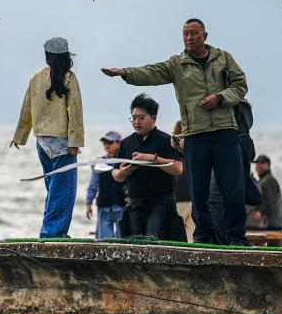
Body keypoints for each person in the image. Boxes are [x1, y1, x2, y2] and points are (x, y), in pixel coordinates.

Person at [102, 18, 248, 246]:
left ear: (205, 36)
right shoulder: (177, 64)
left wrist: (220, 98)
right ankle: (203, 238)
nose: (189, 38)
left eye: (194, 33)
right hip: (195, 135)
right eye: (185, 34)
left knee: (233, 189)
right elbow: (151, 72)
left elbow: (240, 85)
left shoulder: (224, 58)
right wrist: (124, 72)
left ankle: (236, 238)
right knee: (198, 191)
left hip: (225, 131)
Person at [11, 37, 85, 239]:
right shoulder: (69, 78)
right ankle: (52, 233)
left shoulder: (36, 77)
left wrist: (19, 136)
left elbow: (27, 109)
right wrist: (75, 142)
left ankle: (53, 231)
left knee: (53, 190)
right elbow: (75, 111)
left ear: (47, 56)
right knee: (63, 192)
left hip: (42, 142)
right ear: (66, 56)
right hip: (63, 143)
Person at [111, 94, 183, 239]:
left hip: (161, 202)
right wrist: (124, 172)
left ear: (153, 118)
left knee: (154, 239)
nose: (136, 122)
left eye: (141, 118)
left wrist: (152, 159)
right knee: (134, 242)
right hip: (135, 203)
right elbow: (115, 174)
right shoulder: (126, 143)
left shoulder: (165, 140)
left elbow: (178, 168)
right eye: (133, 118)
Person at [85, 131, 125, 239]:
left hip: (122, 206)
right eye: (105, 143)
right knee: (104, 241)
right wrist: (88, 203)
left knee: (123, 240)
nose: (107, 145)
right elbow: (93, 185)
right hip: (104, 207)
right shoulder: (99, 163)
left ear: (118, 143)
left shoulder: (124, 162)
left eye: (110, 142)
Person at [247, 155, 282, 231]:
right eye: (257, 163)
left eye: (261, 163)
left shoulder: (267, 181)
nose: (258, 165)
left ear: (268, 165)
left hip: (272, 223)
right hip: (277, 222)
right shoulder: (265, 179)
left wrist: (259, 212)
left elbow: (267, 200)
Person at [172, 122, 195, 241]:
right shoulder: (194, 150)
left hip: (177, 197)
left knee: (178, 233)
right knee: (191, 232)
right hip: (192, 196)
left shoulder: (173, 153)